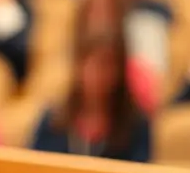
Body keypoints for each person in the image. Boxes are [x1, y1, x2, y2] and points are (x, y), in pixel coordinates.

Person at [30, 28, 152, 162]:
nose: (96, 74)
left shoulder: (136, 126)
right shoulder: (52, 120)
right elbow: (35, 170)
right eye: (89, 64)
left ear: (119, 71)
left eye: (105, 65)